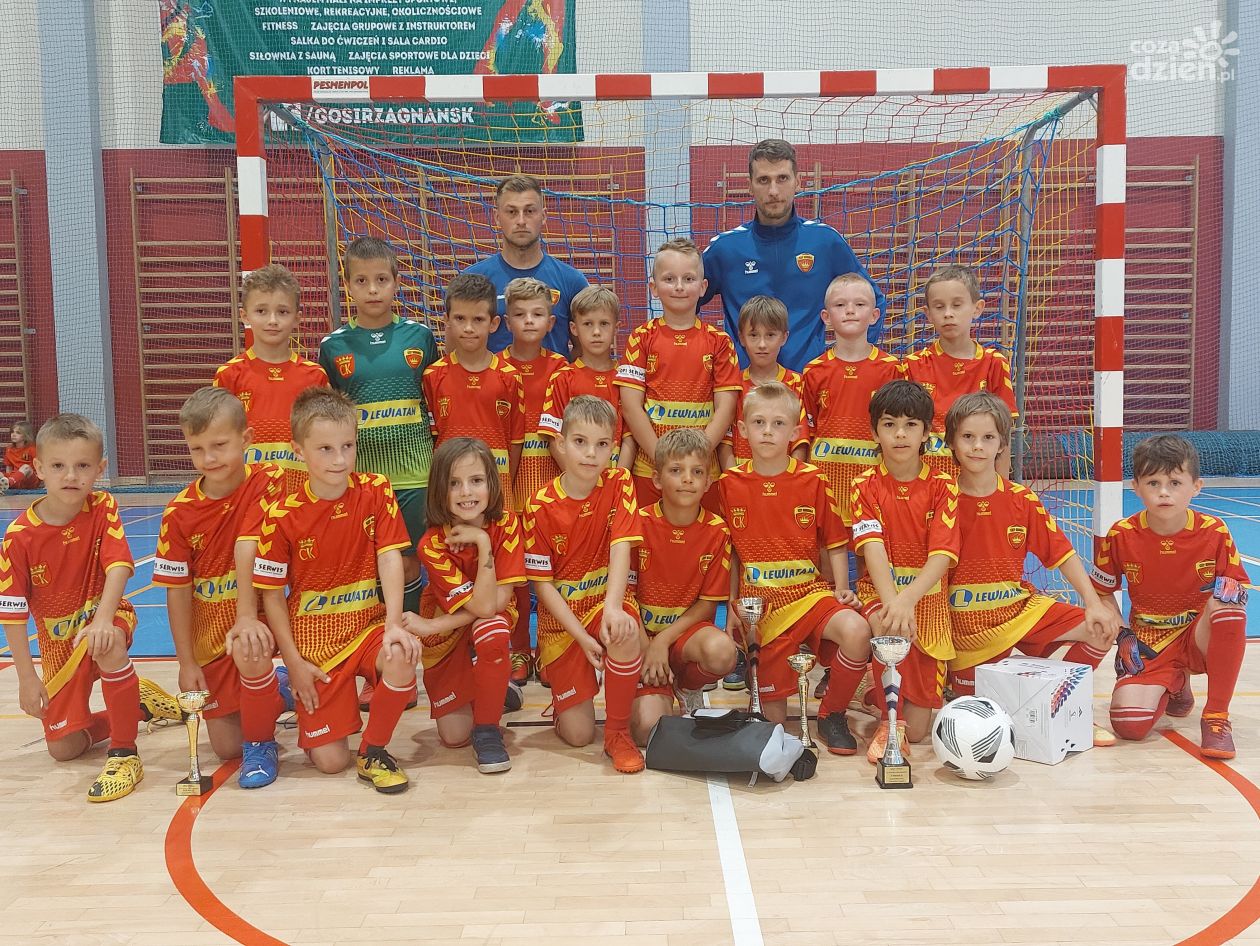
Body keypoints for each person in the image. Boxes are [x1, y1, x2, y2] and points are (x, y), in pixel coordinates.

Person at [0, 414, 177, 801]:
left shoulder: (102, 506)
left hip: (106, 615)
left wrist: (102, 620)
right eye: (58, 466)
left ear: (100, 469)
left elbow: (119, 566)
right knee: (64, 748)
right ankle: (139, 708)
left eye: (83, 466)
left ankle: (125, 754)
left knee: (107, 642)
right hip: (58, 645)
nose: (71, 475)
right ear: (39, 468)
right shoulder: (18, 537)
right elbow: (11, 612)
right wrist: (27, 678)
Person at [253, 387, 419, 793]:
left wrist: (393, 624)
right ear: (298, 450)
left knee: (401, 653)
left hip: (366, 628)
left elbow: (390, 557)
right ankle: (286, 685)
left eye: (347, 446)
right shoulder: (281, 515)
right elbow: (272, 595)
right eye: (325, 449)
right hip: (315, 643)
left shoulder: (376, 489)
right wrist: (294, 662)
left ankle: (374, 751)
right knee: (330, 763)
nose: (340, 459)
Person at [943, 392, 1120, 747]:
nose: (977, 446)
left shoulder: (1021, 500)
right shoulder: (940, 498)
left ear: (1001, 444)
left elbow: (1062, 554)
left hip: (1018, 610)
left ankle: (1069, 710)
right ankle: (957, 685)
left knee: (1103, 627)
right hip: (966, 629)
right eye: (968, 437)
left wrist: (1093, 603)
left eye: (988, 437)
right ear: (951, 441)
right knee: (982, 722)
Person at [717, 382, 872, 753]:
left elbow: (834, 541)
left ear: (795, 432)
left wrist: (841, 587)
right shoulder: (728, 484)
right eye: (759, 422)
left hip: (808, 593)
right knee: (771, 725)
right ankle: (768, 690)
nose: (768, 431)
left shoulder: (813, 479)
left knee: (857, 630)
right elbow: (729, 554)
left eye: (778, 423)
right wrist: (731, 606)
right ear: (743, 430)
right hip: (762, 607)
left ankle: (832, 713)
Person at [153, 388, 290, 788]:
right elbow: (177, 591)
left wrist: (249, 616)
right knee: (227, 747)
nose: (209, 459)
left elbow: (257, 544)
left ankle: (265, 731)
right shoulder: (179, 513)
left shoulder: (270, 480)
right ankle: (279, 691)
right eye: (197, 449)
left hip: (264, 618)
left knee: (252, 643)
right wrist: (186, 663)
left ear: (246, 439)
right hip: (212, 639)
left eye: (219, 445)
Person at [1092, 434, 1249, 759]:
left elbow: (1237, 588)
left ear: (1196, 486)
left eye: (1175, 483)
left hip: (1197, 637)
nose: (1164, 492)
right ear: (1136, 487)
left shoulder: (1214, 531)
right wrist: (1123, 635)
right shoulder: (1121, 535)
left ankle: (1217, 718)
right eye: (1153, 483)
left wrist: (1232, 589)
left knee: (1229, 607)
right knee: (1130, 725)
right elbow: (1101, 594)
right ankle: (1176, 684)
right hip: (1149, 642)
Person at [523, 396, 646, 774]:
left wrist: (613, 607)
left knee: (624, 628)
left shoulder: (619, 482)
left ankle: (617, 735)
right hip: (563, 625)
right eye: (580, 442)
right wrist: (581, 638)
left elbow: (621, 546)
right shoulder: (539, 505)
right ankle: (563, 698)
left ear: (613, 447)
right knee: (577, 735)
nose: (591, 454)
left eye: (602, 444)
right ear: (561, 443)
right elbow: (543, 587)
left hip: (602, 604)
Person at [318, 237, 439, 615]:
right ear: (348, 285)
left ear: (396, 282)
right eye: (362, 281)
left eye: (382, 280)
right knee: (369, 560)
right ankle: (374, 633)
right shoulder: (333, 347)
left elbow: (435, 403)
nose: (372, 289)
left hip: (415, 474)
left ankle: (410, 632)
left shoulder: (420, 337)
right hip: (363, 478)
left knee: (409, 561)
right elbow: (328, 417)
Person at [699, 138, 887, 372]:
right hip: (744, 386)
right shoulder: (726, 248)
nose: (773, 191)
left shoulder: (825, 242)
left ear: (797, 182)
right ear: (750, 186)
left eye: (782, 178)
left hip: (809, 384)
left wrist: (854, 358)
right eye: (763, 180)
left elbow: (874, 300)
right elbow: (684, 300)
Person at [849, 380, 959, 762]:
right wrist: (894, 604)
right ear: (874, 432)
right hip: (880, 594)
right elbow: (873, 547)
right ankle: (886, 719)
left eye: (911, 425)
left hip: (927, 601)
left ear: (926, 432)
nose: (900, 434)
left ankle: (873, 693)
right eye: (889, 424)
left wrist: (908, 600)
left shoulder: (943, 486)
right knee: (885, 625)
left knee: (919, 729)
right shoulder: (864, 485)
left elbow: (943, 554)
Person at [413, 438, 526, 774]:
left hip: (473, 622)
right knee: (453, 737)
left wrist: (482, 541)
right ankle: (493, 685)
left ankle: (488, 729)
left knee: (492, 629)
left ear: (491, 483)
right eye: (454, 483)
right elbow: (479, 604)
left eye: (476, 480)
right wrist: (437, 628)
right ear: (439, 489)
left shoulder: (507, 525)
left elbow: (493, 605)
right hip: (447, 637)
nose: (466, 493)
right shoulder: (432, 544)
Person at [629, 429, 738, 743]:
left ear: (708, 482)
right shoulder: (636, 524)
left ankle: (686, 686)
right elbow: (624, 595)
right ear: (657, 479)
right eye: (676, 470)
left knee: (722, 651)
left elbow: (707, 604)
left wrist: (663, 642)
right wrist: (648, 646)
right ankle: (643, 685)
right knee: (647, 732)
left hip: (683, 638)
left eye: (697, 472)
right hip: (641, 637)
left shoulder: (718, 532)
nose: (687, 479)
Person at [617, 237, 741, 508]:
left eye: (688, 278)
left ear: (703, 287)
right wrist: (662, 459)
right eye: (669, 279)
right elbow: (630, 407)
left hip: (702, 471)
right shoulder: (640, 338)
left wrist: (695, 461)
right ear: (653, 287)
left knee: (705, 533)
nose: (679, 286)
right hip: (650, 468)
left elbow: (726, 408)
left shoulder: (720, 342)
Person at [499, 277, 568, 684]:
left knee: (548, 570)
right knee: (514, 573)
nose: (529, 321)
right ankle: (518, 651)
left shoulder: (560, 368)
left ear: (551, 321)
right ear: (506, 321)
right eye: (520, 314)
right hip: (508, 484)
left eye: (537, 314)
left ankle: (549, 646)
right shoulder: (495, 366)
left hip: (550, 482)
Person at [214, 264, 329, 496]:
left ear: (297, 318)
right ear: (245, 316)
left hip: (301, 498)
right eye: (261, 311)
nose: (273, 320)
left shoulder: (315, 376)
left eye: (283, 312)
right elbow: (216, 441)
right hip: (247, 497)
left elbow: (327, 441)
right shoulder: (229, 375)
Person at [424, 272, 526, 510]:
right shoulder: (433, 376)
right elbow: (431, 440)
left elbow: (515, 442)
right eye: (460, 318)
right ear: (447, 320)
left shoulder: (510, 377)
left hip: (498, 489)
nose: (469, 328)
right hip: (451, 491)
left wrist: (502, 484)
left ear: (494, 323)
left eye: (478, 319)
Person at [904, 264, 1016, 477]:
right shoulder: (913, 365)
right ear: (928, 314)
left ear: (977, 308)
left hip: (976, 484)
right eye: (939, 307)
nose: (948, 314)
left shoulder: (993, 363)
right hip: (928, 483)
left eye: (957, 305)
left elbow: (1003, 435)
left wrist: (1002, 489)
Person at [464, 174, 590, 356]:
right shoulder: (472, 281)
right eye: (512, 212)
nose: (521, 221)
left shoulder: (572, 281)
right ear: (497, 217)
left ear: (543, 216)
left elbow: (584, 352)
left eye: (529, 211)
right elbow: (457, 353)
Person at [538, 285, 635, 470]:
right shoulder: (562, 378)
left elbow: (630, 438)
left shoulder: (626, 379)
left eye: (604, 324)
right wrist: (577, 478)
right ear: (574, 328)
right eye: (588, 324)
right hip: (574, 479)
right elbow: (553, 437)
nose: (596, 332)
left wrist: (618, 479)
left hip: (615, 478)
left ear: (616, 328)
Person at [718, 295, 808, 471]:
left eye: (770, 335)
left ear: (784, 337)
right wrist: (734, 480)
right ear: (741, 338)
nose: (762, 344)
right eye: (753, 335)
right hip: (741, 479)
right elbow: (725, 442)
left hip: (784, 480)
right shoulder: (733, 385)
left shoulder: (797, 384)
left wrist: (790, 480)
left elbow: (800, 442)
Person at [0, 421, 38, 493]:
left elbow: (41, 465)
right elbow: (9, 468)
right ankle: (8, 484)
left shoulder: (32, 448)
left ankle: (9, 483)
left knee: (26, 467)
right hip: (15, 479)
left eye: (18, 433)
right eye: (12, 432)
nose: (13, 435)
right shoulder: (9, 449)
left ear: (26, 435)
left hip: (29, 480)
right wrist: (7, 476)